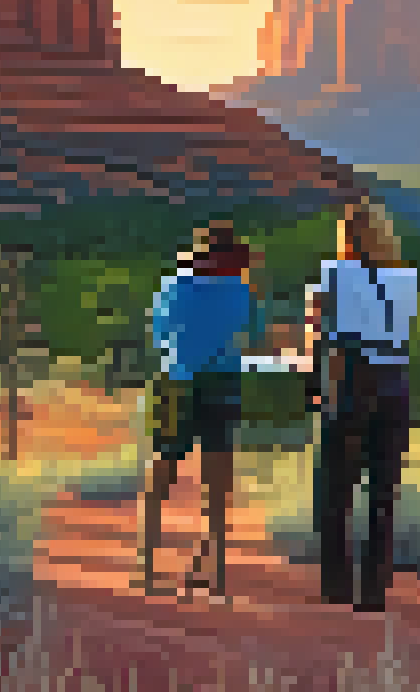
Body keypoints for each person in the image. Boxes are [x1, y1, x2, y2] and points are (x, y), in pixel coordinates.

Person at [140, 221, 263, 599]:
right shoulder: (241, 291)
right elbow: (254, 335)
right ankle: (216, 569)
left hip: (176, 380)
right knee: (217, 471)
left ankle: (148, 565)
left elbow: (158, 334)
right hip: (223, 380)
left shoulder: (174, 285)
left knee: (163, 467)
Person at [312, 198, 420, 612]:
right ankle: (373, 592)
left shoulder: (337, 274)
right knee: (382, 494)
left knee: (336, 490)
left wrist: (326, 393)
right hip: (396, 386)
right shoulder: (403, 278)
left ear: (348, 235)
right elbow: (399, 339)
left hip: (356, 380)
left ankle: (336, 588)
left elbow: (335, 342)